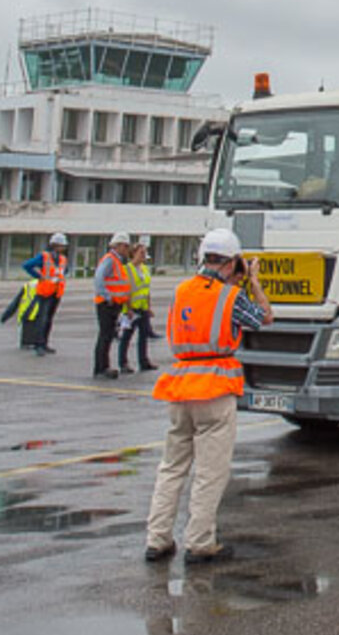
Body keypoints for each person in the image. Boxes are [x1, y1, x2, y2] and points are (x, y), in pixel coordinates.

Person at [144, 229, 273, 564]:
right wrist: (254, 282)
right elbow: (264, 318)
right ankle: (200, 542)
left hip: (180, 381)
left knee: (172, 466)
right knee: (210, 470)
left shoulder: (181, 290)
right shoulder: (229, 297)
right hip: (214, 387)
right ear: (231, 263)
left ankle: (157, 539)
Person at [19, 232, 70, 355]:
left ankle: (44, 343)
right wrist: (39, 276)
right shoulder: (44, 256)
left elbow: (65, 270)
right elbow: (27, 265)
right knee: (42, 318)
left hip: (56, 291)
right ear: (55, 245)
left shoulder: (62, 259)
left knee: (49, 319)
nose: (63, 248)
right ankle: (38, 345)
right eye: (61, 245)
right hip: (45, 291)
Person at [93, 232, 133, 379]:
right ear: (119, 245)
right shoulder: (110, 260)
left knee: (108, 336)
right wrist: (107, 296)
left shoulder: (117, 261)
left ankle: (104, 366)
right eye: (126, 246)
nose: (127, 249)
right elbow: (99, 278)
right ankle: (101, 367)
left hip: (114, 303)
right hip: (107, 304)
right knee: (105, 336)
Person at [117, 241, 156, 375]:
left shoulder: (145, 269)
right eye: (141, 253)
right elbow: (126, 290)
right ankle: (123, 363)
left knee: (144, 335)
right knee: (127, 337)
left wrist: (149, 307)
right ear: (134, 254)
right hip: (131, 308)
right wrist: (128, 309)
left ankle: (144, 361)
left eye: (145, 253)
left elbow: (146, 289)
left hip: (142, 307)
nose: (144, 255)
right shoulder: (127, 269)